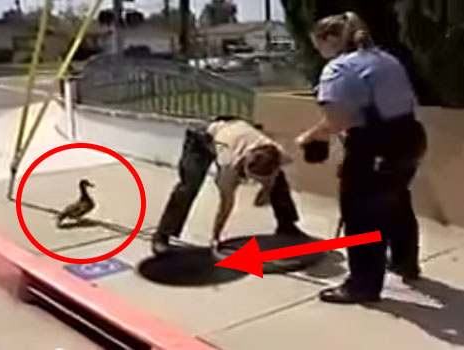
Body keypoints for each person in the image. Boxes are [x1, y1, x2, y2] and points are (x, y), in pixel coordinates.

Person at [296, 12, 427, 303]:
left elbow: (336, 120)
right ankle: (406, 262)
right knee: (396, 199)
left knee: (362, 217)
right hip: (410, 137)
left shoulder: (339, 68)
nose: (319, 51)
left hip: (375, 145)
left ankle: (362, 286)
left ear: (330, 39)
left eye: (318, 44)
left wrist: (310, 136)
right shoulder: (387, 59)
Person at [152, 116, 305, 255]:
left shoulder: (278, 153)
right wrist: (215, 236)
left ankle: (287, 225)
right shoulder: (228, 163)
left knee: (280, 181)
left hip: (232, 130)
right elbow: (226, 203)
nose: (255, 182)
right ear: (244, 165)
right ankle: (162, 235)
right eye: (253, 178)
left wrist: (267, 189)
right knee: (189, 185)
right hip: (202, 138)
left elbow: (275, 174)